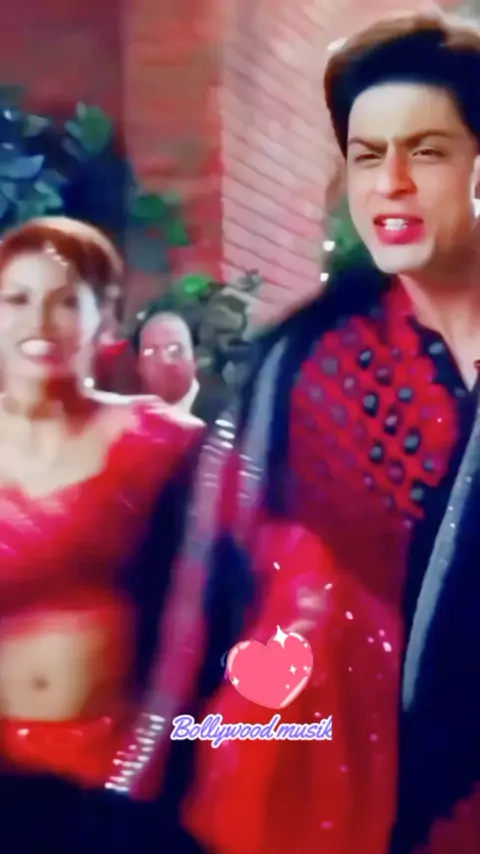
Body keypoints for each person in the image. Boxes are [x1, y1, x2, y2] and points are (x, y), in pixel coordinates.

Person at [145, 12, 480, 854]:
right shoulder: (302, 369)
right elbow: (208, 598)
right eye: (368, 156)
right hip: (336, 793)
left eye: (426, 151)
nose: (390, 183)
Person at [0, 216, 207, 854]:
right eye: (17, 298)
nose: (41, 321)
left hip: (116, 780)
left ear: (105, 319)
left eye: (67, 301)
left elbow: (249, 563)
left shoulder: (157, 440)